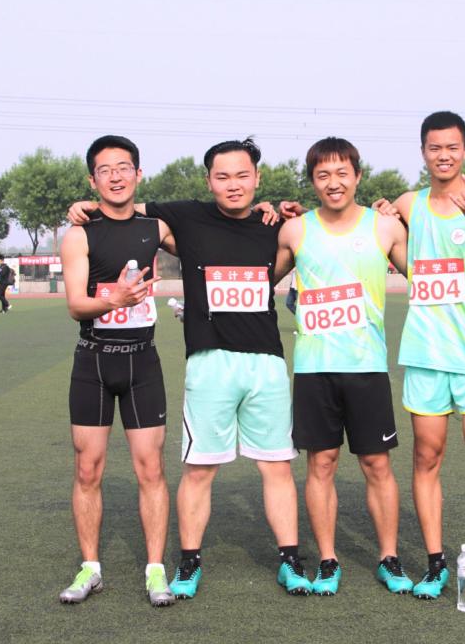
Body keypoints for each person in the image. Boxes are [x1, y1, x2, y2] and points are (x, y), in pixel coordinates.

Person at [69, 138, 310, 599]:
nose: (233, 184)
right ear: (208, 181)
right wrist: (85, 206)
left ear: (257, 178)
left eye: (242, 176)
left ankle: (290, 561)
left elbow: (296, 252)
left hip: (266, 362)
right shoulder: (186, 216)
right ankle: (188, 563)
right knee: (199, 470)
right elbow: (124, 207)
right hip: (208, 362)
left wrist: (290, 211)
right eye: (223, 176)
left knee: (277, 466)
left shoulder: (275, 225)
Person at [381, 111, 465, 603]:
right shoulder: (409, 204)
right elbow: (385, 243)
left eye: (452, 147)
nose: (444, 155)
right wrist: (380, 209)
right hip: (426, 352)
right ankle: (435, 563)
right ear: (423, 152)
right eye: (435, 147)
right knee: (426, 456)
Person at [273, 137, 414, 596]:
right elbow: (259, 277)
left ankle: (388, 558)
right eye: (322, 175)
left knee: (377, 464)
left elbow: (427, 275)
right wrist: (264, 216)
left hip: (366, 367)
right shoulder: (296, 231)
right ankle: (328, 559)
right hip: (313, 369)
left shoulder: (385, 228)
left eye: (341, 173)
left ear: (357, 175)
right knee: (322, 464)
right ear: (312, 181)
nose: (333, 183)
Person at [57, 135, 176, 606]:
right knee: (87, 469)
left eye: (124, 167)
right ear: (93, 180)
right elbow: (75, 305)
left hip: (142, 361)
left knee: (151, 468)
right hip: (93, 361)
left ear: (138, 174)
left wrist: (265, 211)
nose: (116, 176)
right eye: (105, 170)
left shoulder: (156, 227)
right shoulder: (79, 234)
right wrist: (116, 299)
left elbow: (209, 236)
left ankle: (155, 570)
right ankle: (90, 568)